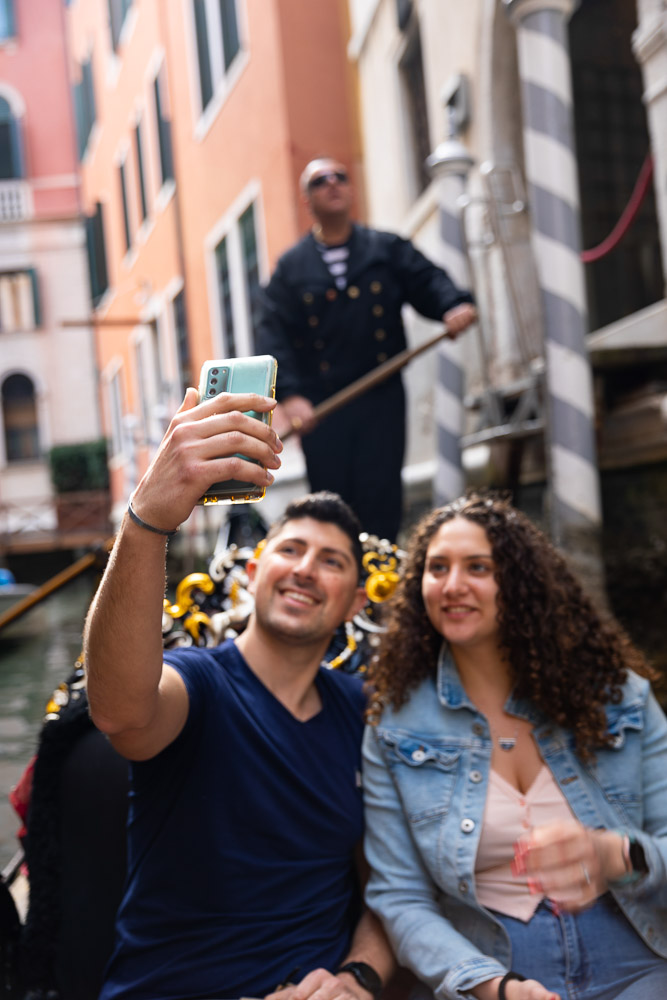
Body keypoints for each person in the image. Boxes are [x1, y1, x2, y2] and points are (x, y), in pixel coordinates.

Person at [83, 384, 395, 1000]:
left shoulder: (362, 710)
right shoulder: (199, 682)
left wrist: (358, 978)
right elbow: (120, 711)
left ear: (356, 605)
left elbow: (392, 885)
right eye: (291, 550)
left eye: (332, 562)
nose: (306, 568)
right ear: (253, 573)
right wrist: (147, 521)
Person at [362, 493, 667, 1000]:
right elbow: (400, 898)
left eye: (478, 567)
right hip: (491, 967)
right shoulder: (393, 726)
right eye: (438, 568)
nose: (453, 585)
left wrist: (616, 854)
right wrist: (490, 985)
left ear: (521, 582)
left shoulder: (621, 699)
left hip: (637, 958)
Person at [255, 157, 477, 542]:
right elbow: (273, 335)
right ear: (308, 200)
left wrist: (453, 305)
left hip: (381, 395)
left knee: (382, 494)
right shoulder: (291, 268)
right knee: (332, 504)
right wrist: (291, 397)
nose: (333, 184)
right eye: (321, 181)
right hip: (322, 409)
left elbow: (427, 280)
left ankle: (378, 588)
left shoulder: (385, 248)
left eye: (340, 176)